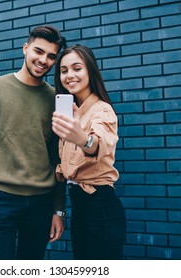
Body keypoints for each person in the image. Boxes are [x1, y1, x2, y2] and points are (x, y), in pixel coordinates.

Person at [0, 25, 67, 260]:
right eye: (38, 51)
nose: (43, 60)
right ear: (25, 48)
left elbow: (59, 158)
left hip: (42, 202)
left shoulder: (56, 99)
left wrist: (59, 210)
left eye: (51, 56)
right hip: (0, 199)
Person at [52, 44, 126, 260]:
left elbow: (99, 143)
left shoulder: (102, 110)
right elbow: (64, 166)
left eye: (77, 68)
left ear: (90, 70)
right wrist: (59, 212)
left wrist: (83, 139)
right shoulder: (72, 112)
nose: (70, 75)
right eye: (64, 70)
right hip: (80, 207)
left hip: (100, 205)